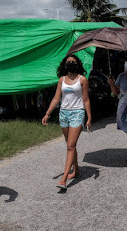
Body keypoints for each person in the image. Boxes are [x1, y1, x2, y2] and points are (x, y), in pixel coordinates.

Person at [42, 54, 92, 190]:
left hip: (77, 113)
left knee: (70, 146)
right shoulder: (61, 80)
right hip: (64, 113)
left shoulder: (82, 80)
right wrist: (47, 114)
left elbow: (86, 100)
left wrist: (89, 117)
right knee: (70, 145)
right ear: (65, 65)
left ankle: (63, 179)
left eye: (73, 62)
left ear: (78, 64)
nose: (71, 63)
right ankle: (76, 170)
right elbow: (56, 98)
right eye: (68, 62)